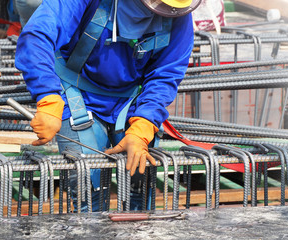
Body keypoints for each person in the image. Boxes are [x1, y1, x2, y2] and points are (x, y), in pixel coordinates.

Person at [15, 0, 198, 212]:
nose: (163, 12)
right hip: (75, 93)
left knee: (140, 181)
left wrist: (145, 123)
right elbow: (37, 35)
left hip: (130, 100)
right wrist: (47, 96)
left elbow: (166, 74)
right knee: (88, 188)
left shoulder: (178, 10)